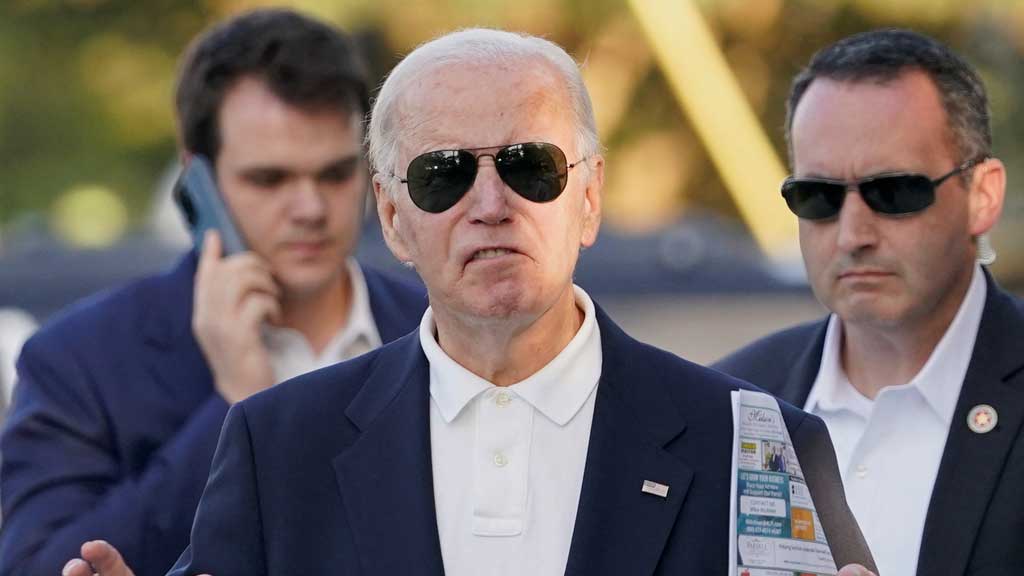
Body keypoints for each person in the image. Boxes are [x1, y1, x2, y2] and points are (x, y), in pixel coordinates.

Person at [54, 28, 875, 576]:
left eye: (530, 167)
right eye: (444, 174)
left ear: (588, 199)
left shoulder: (753, 442)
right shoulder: (279, 446)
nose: (492, 204)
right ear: (392, 217)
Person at [1, 9, 426, 576]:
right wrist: (234, 407)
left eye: (334, 174)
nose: (311, 209)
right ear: (196, 182)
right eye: (269, 179)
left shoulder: (437, 328)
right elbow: (40, 566)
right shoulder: (79, 360)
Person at [715, 29, 1022, 576]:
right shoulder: (728, 403)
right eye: (819, 196)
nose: (853, 232)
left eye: (894, 192)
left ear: (983, 196)